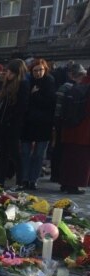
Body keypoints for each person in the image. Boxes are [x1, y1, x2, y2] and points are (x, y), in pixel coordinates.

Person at [0, 59, 30, 188]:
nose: (6, 74)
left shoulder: (23, 85)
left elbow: (21, 108)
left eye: (8, 71)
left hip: (13, 125)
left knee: (15, 154)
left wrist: (11, 121)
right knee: (3, 154)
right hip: (3, 124)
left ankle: (20, 181)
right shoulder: (8, 84)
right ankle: (0, 180)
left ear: (15, 72)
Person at [20, 59, 56, 190]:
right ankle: (24, 178)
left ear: (45, 70)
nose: (38, 73)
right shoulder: (27, 82)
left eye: (40, 70)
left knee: (39, 154)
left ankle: (33, 179)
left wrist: (35, 95)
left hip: (43, 124)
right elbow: (24, 102)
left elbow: (50, 102)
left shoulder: (49, 82)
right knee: (25, 153)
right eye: (35, 70)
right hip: (28, 123)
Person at [59, 64, 90, 194]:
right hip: (84, 130)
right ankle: (74, 185)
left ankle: (65, 183)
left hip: (70, 128)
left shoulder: (79, 84)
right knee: (80, 160)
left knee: (69, 157)